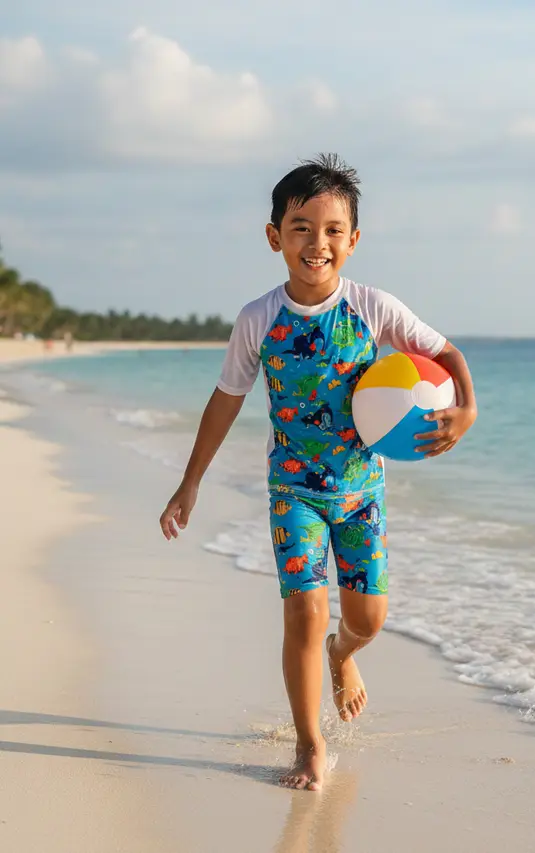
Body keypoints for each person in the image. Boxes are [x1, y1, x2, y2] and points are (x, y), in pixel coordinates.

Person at [159, 153, 477, 792]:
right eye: (301, 227)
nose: (317, 242)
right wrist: (189, 481)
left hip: (362, 491)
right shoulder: (259, 319)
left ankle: (343, 654)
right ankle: (310, 746)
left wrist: (466, 408)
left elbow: (442, 351)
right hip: (293, 491)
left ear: (353, 241)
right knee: (304, 608)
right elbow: (226, 400)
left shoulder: (372, 308)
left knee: (369, 618)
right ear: (274, 235)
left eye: (334, 230)